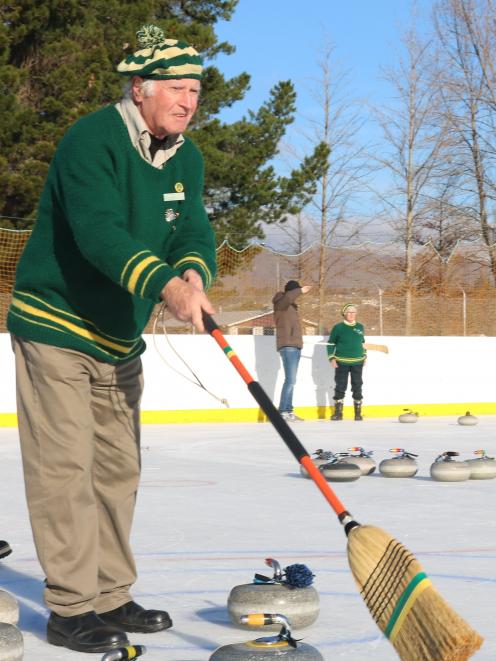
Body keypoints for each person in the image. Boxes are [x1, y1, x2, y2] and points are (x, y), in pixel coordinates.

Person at [7, 25, 216, 654]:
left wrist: (192, 276)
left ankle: (111, 593)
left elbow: (192, 233)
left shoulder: (187, 156)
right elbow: (99, 232)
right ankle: (72, 608)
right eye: (177, 88)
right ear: (140, 90)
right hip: (57, 324)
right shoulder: (91, 141)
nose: (188, 100)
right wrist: (163, 287)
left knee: (118, 471)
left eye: (196, 90)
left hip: (119, 340)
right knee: (65, 468)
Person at [272, 280, 311, 422]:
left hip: (294, 346)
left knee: (291, 380)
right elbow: (288, 298)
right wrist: (300, 290)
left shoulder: (291, 307)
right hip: (288, 346)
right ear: (291, 291)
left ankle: (288, 411)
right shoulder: (280, 302)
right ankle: (282, 411)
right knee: (291, 380)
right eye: (296, 291)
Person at [327, 304, 366, 421]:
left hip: (358, 361)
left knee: (357, 385)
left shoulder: (360, 327)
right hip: (341, 362)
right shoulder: (338, 327)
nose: (351, 314)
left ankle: (358, 413)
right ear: (344, 313)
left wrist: (364, 356)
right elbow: (330, 344)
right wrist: (331, 358)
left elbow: (363, 343)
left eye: (354, 312)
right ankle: (338, 413)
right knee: (340, 385)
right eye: (349, 312)